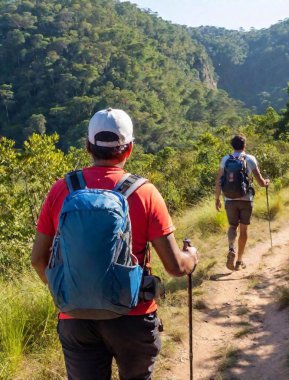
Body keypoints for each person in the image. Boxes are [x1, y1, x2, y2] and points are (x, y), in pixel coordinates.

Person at [31, 108, 199, 380]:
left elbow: (38, 259)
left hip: (75, 319)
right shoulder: (145, 193)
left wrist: (72, 290)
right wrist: (191, 256)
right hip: (132, 317)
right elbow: (175, 267)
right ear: (129, 148)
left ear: (88, 146)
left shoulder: (61, 189)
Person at [215, 134, 269, 271]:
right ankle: (239, 261)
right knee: (243, 230)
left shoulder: (225, 159)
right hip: (246, 199)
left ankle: (231, 248)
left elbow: (218, 181)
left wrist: (217, 199)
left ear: (232, 146)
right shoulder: (250, 159)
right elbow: (260, 182)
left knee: (232, 226)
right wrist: (266, 183)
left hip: (229, 199)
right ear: (244, 145)